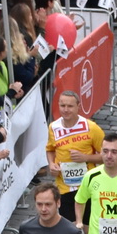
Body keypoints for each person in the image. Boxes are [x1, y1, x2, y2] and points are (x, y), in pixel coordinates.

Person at [47, 90, 107, 222]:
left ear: (78, 106)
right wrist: (52, 164)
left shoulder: (91, 128)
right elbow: (50, 149)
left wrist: (86, 158)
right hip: (64, 187)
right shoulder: (53, 127)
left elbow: (107, 157)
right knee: (69, 228)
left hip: (88, 185)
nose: (66, 110)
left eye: (70, 106)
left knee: (88, 227)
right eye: (62, 106)